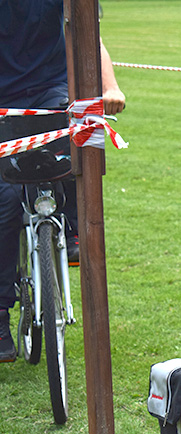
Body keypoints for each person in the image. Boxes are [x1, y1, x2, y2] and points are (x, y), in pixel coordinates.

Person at [0, 0, 126, 362]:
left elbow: (88, 34)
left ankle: (71, 230)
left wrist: (110, 87)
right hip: (4, 99)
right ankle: (0, 315)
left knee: (77, 139)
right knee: (5, 203)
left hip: (51, 89)